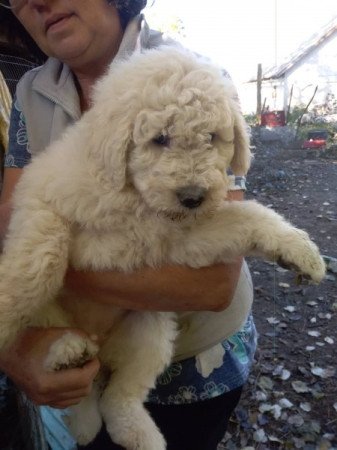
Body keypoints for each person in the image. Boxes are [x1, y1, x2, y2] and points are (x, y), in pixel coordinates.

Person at [0, 1, 257, 449]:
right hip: (80, 363)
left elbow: (212, 284)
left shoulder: (194, 79)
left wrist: (49, 263)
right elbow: (8, 216)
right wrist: (16, 351)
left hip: (191, 365)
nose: (36, 1)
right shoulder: (30, 90)